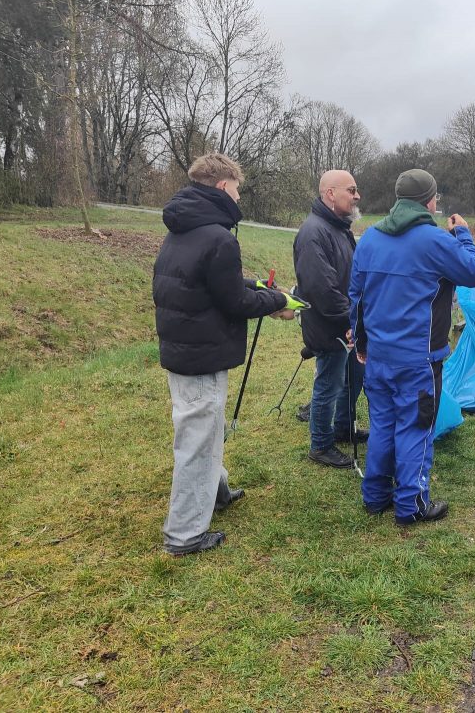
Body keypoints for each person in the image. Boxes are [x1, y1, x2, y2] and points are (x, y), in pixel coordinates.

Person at [153, 153, 304, 556]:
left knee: (207, 426)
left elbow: (216, 282)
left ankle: (215, 491)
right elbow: (235, 302)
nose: (238, 198)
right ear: (223, 186)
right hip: (200, 354)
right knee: (198, 439)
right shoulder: (219, 237)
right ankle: (184, 535)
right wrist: (276, 301)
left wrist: (257, 285)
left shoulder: (184, 228)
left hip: (184, 348)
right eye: (237, 190)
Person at [349, 169, 475, 525]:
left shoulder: (370, 238)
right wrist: (463, 234)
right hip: (419, 359)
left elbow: (356, 297)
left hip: (378, 355)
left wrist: (360, 341)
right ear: (430, 201)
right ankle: (411, 505)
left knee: (382, 425)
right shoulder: (435, 240)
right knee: (415, 427)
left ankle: (375, 496)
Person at [293, 170, 367, 468]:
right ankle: (321, 445)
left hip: (348, 323)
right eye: (351, 190)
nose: (357, 196)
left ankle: (343, 428)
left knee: (354, 378)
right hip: (330, 325)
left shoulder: (339, 228)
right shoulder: (313, 233)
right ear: (331, 194)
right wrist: (349, 323)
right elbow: (321, 289)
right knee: (329, 384)